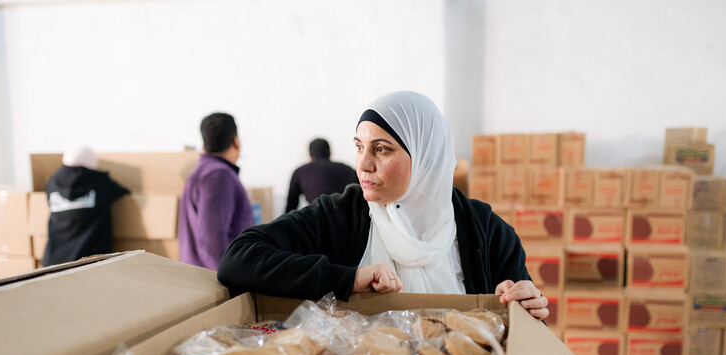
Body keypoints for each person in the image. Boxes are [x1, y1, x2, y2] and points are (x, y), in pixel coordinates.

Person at [218, 91, 548, 320]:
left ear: (424, 158)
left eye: (382, 149)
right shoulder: (342, 215)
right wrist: (348, 278)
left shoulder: (487, 232)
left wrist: (526, 306)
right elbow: (239, 258)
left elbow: (528, 338)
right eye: (359, 146)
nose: (363, 164)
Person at [179, 112, 254, 270]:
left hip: (201, 277)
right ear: (236, 141)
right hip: (217, 283)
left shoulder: (201, 171)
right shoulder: (219, 175)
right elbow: (212, 240)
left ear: (204, 145)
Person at [42, 145, 130, 267]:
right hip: (88, 264)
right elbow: (124, 192)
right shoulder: (101, 184)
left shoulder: (52, 183)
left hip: (53, 264)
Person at [285, 138, 359, 212]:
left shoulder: (299, 172)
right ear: (330, 153)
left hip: (317, 219)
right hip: (347, 219)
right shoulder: (348, 170)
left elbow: (290, 207)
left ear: (310, 155)